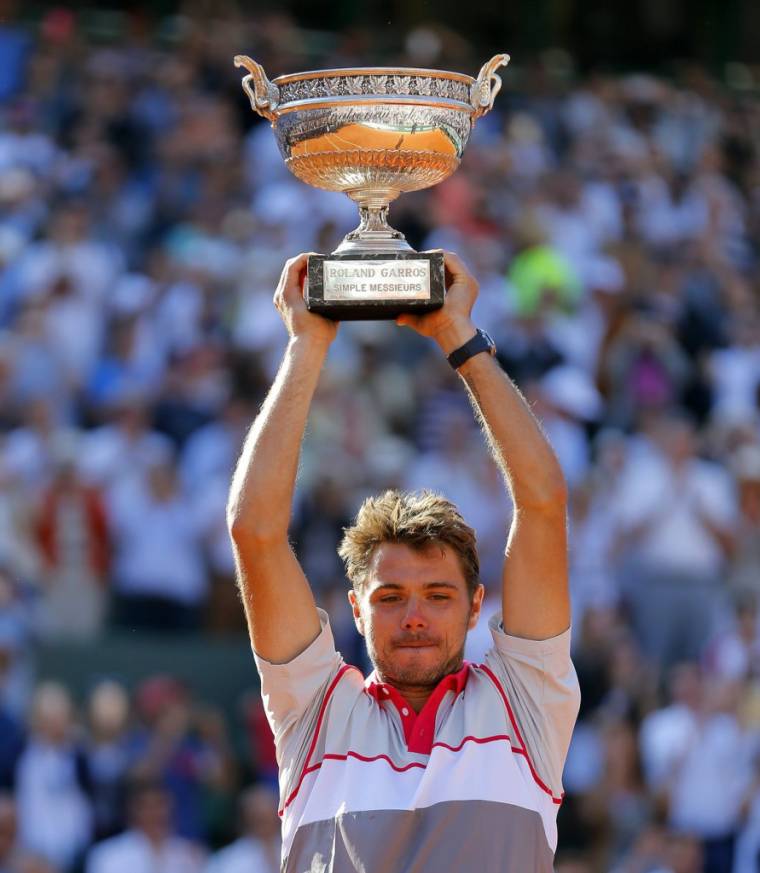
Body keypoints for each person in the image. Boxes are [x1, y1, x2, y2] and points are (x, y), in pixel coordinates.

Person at [227, 251, 581, 872]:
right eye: (390, 598)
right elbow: (254, 532)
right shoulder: (316, 711)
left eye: (439, 596)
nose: (414, 616)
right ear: (356, 610)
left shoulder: (525, 697)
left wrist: (458, 336)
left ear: (476, 607)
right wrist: (306, 344)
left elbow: (543, 502)